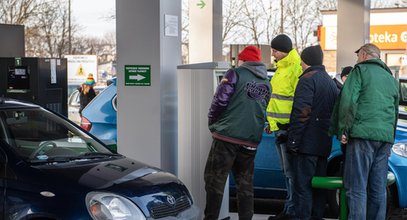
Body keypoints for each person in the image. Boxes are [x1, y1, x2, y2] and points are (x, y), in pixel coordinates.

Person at [331, 43, 399, 220]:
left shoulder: (359, 71)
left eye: (357, 56)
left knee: (357, 188)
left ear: (363, 54)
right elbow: (394, 111)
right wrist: (390, 139)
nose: (356, 59)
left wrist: (343, 130)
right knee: (378, 188)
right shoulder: (391, 79)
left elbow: (348, 102)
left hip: (362, 136)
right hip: (384, 139)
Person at [204, 45, 271, 220]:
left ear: (243, 60)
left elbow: (220, 101)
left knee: (215, 180)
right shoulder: (266, 82)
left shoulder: (235, 74)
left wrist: (212, 124)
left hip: (227, 137)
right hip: (250, 140)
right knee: (245, 184)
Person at [286, 45, 339, 220]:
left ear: (306, 60)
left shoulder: (307, 79)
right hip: (324, 144)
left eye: (302, 60)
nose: (300, 63)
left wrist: (293, 141)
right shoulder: (329, 81)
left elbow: (301, 113)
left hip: (307, 144)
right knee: (318, 187)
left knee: (303, 188)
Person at [265, 34, 302, 220]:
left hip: (287, 129)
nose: (272, 53)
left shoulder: (295, 68)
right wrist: (271, 124)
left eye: (274, 50)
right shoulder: (281, 68)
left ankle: (292, 211)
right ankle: (289, 208)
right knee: (286, 172)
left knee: (291, 173)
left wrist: (289, 127)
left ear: (283, 51)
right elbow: (275, 100)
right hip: (278, 128)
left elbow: (299, 101)